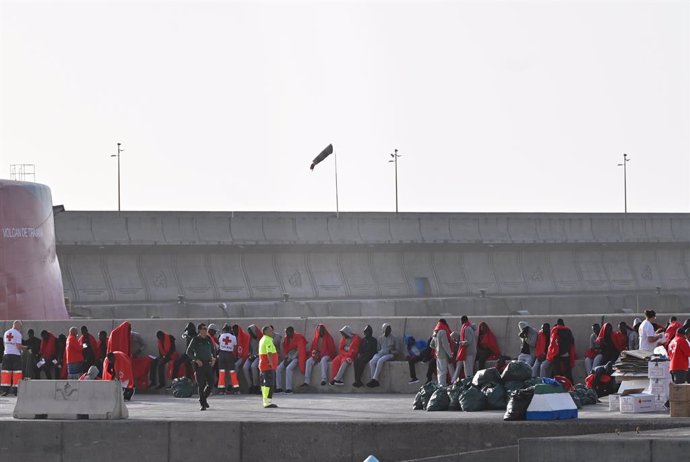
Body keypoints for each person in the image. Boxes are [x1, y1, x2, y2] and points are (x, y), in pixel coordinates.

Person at [186, 323, 215, 411]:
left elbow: (213, 350)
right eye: (204, 329)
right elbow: (188, 352)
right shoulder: (195, 339)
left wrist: (213, 359)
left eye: (206, 329)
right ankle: (203, 404)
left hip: (208, 364)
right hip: (199, 364)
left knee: (211, 383)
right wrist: (196, 360)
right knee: (201, 384)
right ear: (199, 330)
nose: (205, 331)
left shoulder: (208, 339)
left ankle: (203, 398)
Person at [276, 326, 307, 393]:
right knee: (278, 369)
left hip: (297, 357)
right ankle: (279, 388)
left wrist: (291, 358)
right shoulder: (286, 338)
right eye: (286, 333)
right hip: (289, 357)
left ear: (292, 332)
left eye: (288, 332)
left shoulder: (299, 337)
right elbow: (285, 350)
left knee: (288, 369)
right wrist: (287, 358)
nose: (287, 334)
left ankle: (289, 389)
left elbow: (300, 350)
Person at [367, 323, 398, 388]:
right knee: (372, 362)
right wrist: (381, 352)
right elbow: (378, 349)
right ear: (384, 329)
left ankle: (374, 379)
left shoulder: (394, 338)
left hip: (390, 354)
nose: (389, 330)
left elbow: (398, 351)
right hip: (380, 353)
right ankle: (375, 380)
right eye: (387, 329)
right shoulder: (380, 338)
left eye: (390, 328)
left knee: (380, 361)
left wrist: (390, 351)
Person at [2, 320, 26, 396]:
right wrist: (26, 347)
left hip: (6, 355)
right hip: (15, 355)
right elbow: (18, 346)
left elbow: (5, 344)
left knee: (6, 373)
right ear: (17, 325)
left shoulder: (6, 333)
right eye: (20, 326)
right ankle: (16, 390)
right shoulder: (18, 334)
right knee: (17, 373)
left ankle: (4, 390)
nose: (21, 328)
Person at [258, 325, 279, 408]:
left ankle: (265, 401)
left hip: (263, 365)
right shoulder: (268, 340)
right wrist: (271, 363)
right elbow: (269, 352)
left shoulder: (262, 339)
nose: (272, 332)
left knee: (264, 384)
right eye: (270, 331)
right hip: (268, 366)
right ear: (265, 332)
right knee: (269, 384)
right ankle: (268, 402)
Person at [451, 316, 477, 383]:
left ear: (462, 321)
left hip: (468, 352)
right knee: (469, 370)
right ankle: (470, 383)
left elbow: (468, 342)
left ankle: (469, 384)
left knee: (468, 371)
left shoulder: (466, 328)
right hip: (471, 351)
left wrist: (460, 343)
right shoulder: (470, 328)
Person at [217, 324, 240, 394]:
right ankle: (236, 389)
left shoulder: (221, 336)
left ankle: (221, 390)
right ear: (230, 330)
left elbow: (220, 343)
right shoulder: (233, 337)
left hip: (221, 354)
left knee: (221, 372)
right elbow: (235, 346)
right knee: (232, 372)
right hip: (230, 354)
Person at [430, 319, 453, 386]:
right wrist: (450, 355)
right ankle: (442, 386)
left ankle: (441, 385)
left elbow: (431, 345)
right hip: (444, 355)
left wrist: (437, 349)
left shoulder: (435, 332)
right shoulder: (442, 331)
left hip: (438, 355)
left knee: (440, 371)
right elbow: (445, 345)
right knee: (443, 371)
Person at [242, 324, 263, 394]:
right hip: (251, 356)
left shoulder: (261, 339)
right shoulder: (250, 339)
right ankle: (250, 385)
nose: (250, 333)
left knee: (253, 366)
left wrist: (256, 356)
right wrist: (250, 355)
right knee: (245, 367)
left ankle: (255, 385)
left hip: (259, 356)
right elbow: (248, 349)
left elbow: (262, 350)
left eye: (251, 332)